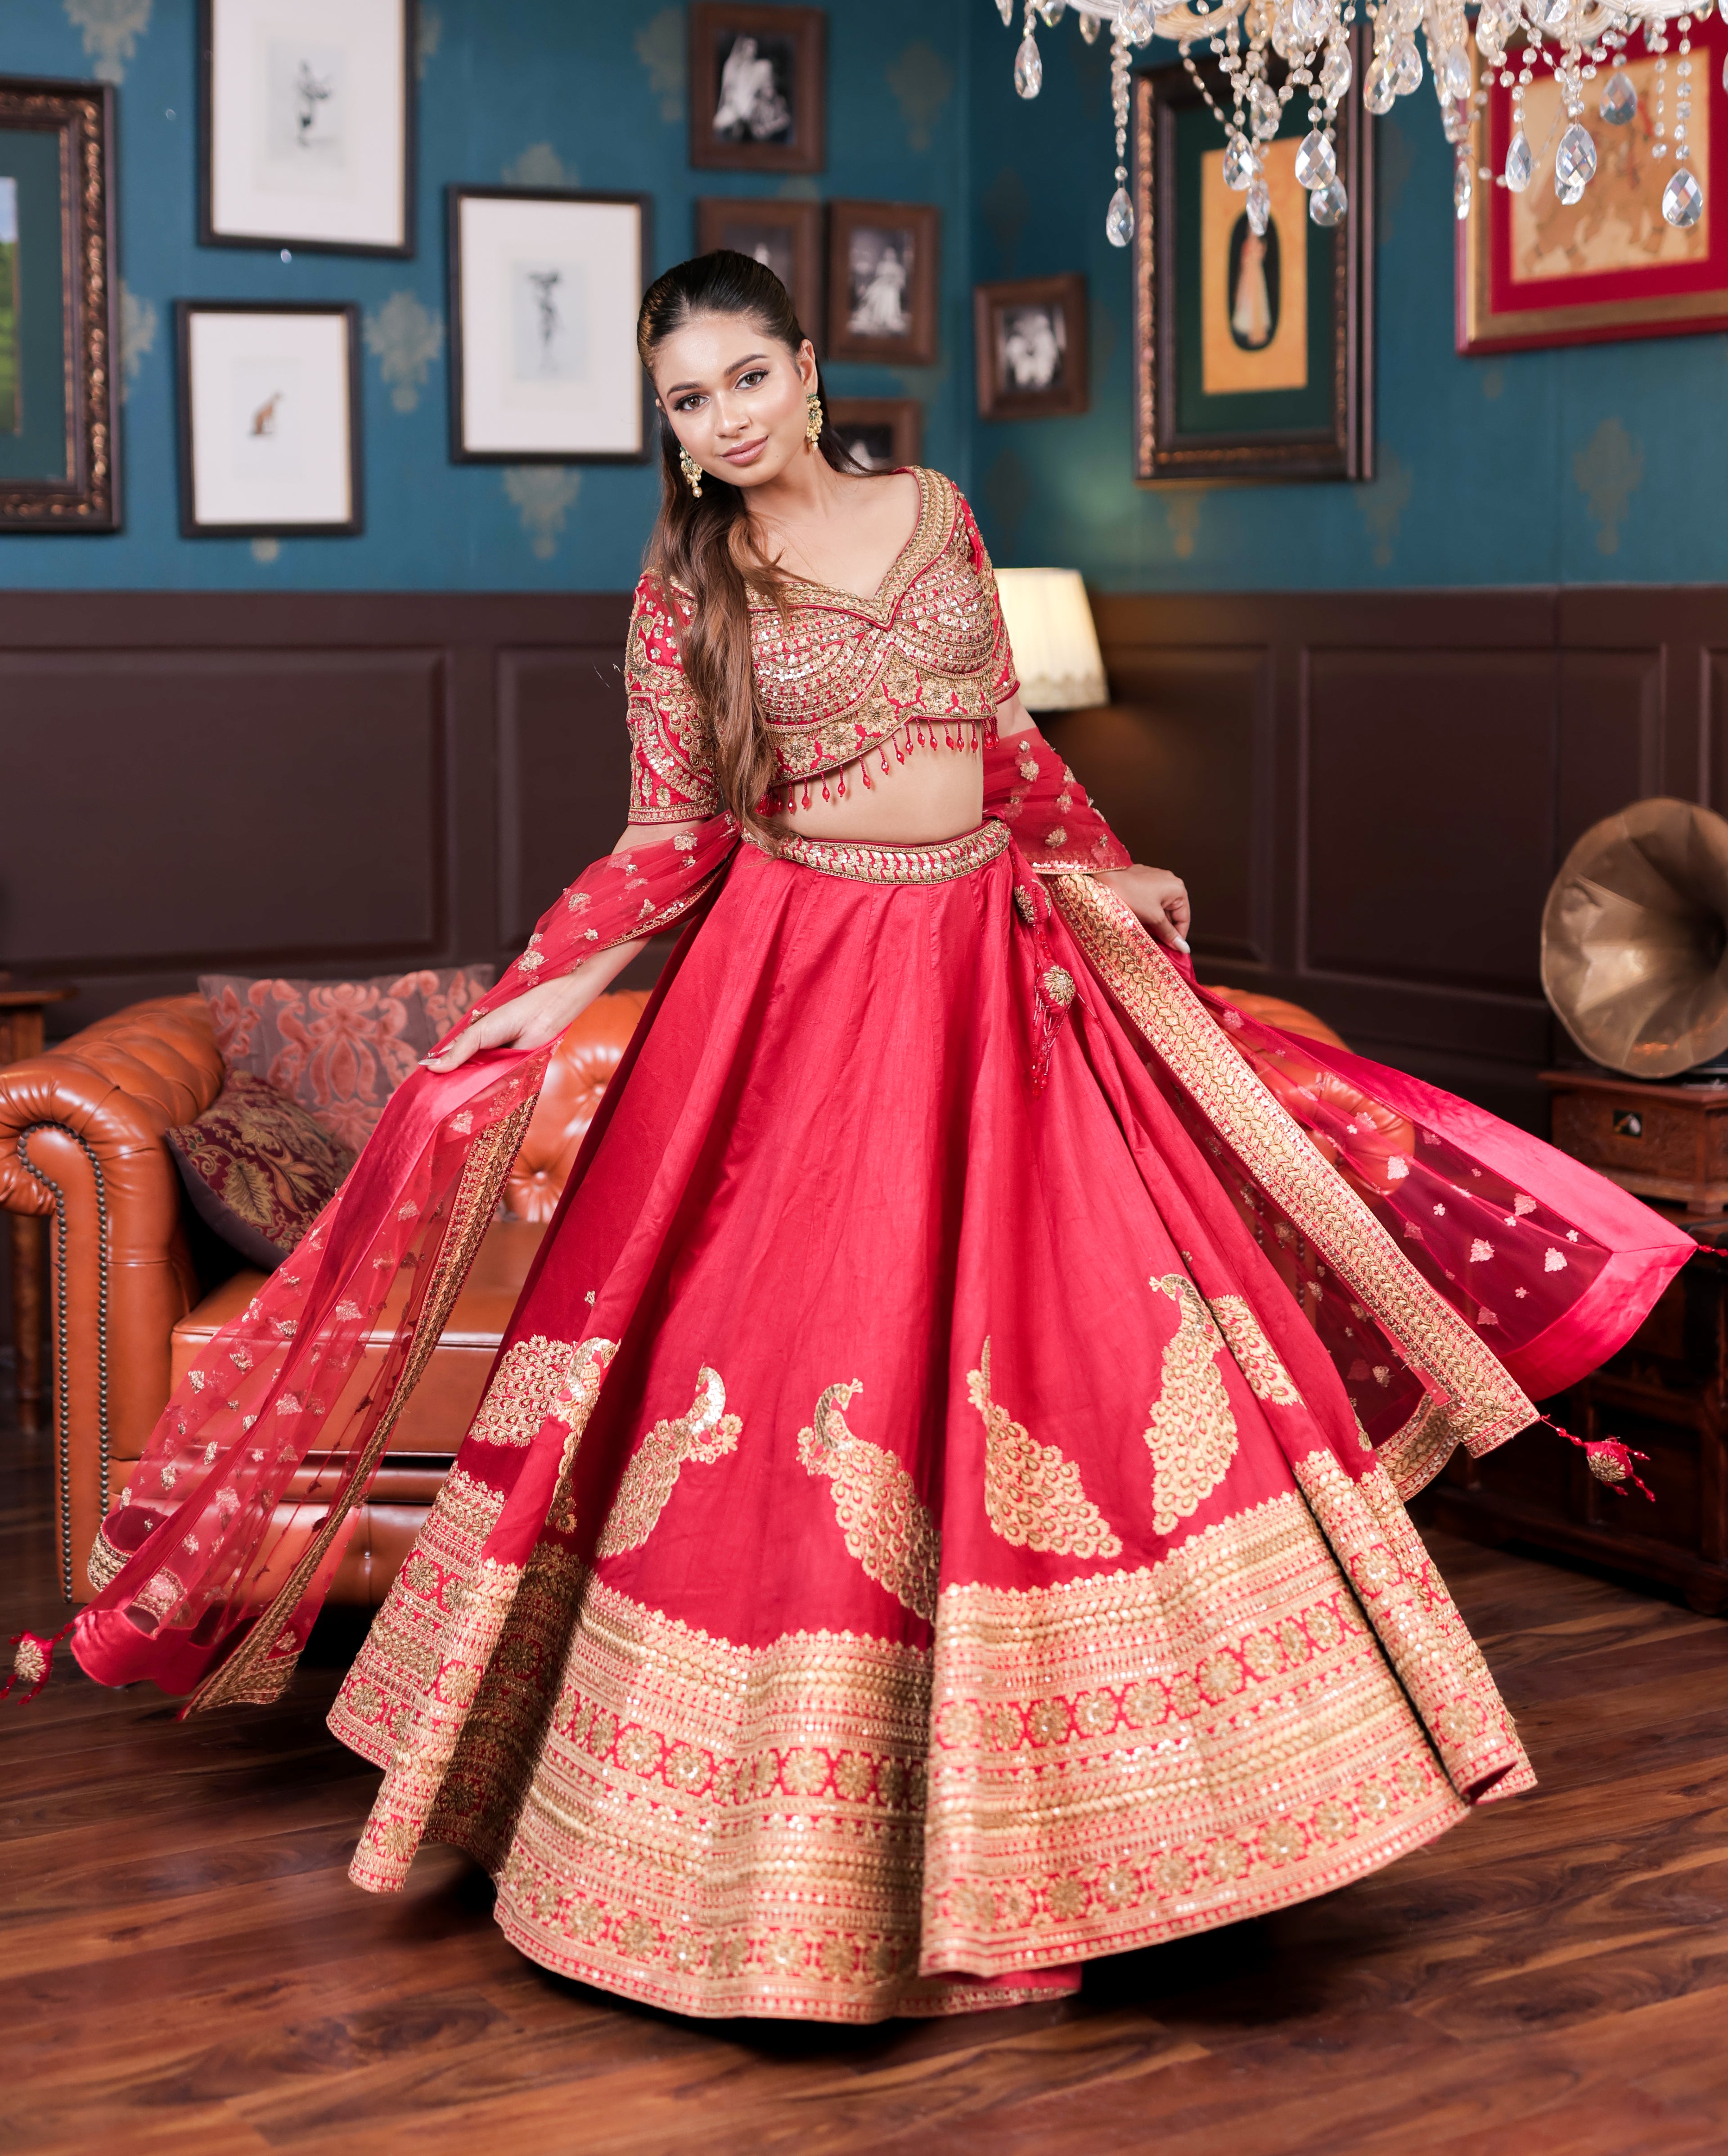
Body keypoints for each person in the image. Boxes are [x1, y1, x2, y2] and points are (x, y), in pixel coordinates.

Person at [31, 252, 1690, 2030]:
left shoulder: (938, 510)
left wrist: (1092, 864)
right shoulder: (689, 594)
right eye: (688, 400)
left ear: (809, 372)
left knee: (1064, 1358)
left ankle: (1085, 1850)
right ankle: (806, 1889)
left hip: (994, 968)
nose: (726, 421)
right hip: (811, 988)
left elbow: (1001, 743)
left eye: (749, 378)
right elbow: (668, 838)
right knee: (821, 1373)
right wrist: (535, 986)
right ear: (666, 426)